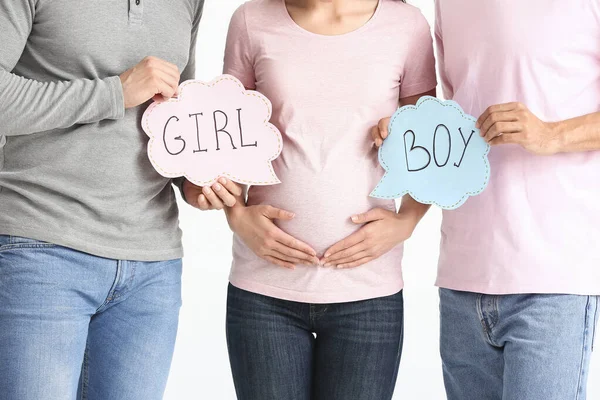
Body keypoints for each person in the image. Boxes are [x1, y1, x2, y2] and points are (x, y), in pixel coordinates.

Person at [0, 1, 239, 399]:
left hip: (152, 266)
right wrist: (113, 92)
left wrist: (190, 180)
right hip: (40, 248)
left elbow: (172, 115)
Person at [374, 1, 600, 399]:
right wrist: (405, 136)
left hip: (553, 276)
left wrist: (552, 134)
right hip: (463, 274)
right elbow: (456, 115)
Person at [221, 0, 437, 399]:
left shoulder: (406, 25)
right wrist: (236, 215)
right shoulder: (251, 20)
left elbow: (432, 146)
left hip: (368, 292)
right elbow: (225, 140)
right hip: (264, 292)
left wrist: (407, 221)